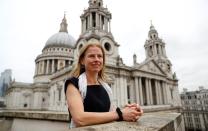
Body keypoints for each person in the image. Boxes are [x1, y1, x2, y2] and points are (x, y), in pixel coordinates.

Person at [64, 42, 143, 128]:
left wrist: (132, 111)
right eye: (91, 56)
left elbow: (110, 113)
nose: (96, 59)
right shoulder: (73, 84)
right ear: (82, 60)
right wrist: (120, 114)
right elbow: (80, 119)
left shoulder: (106, 88)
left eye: (100, 56)